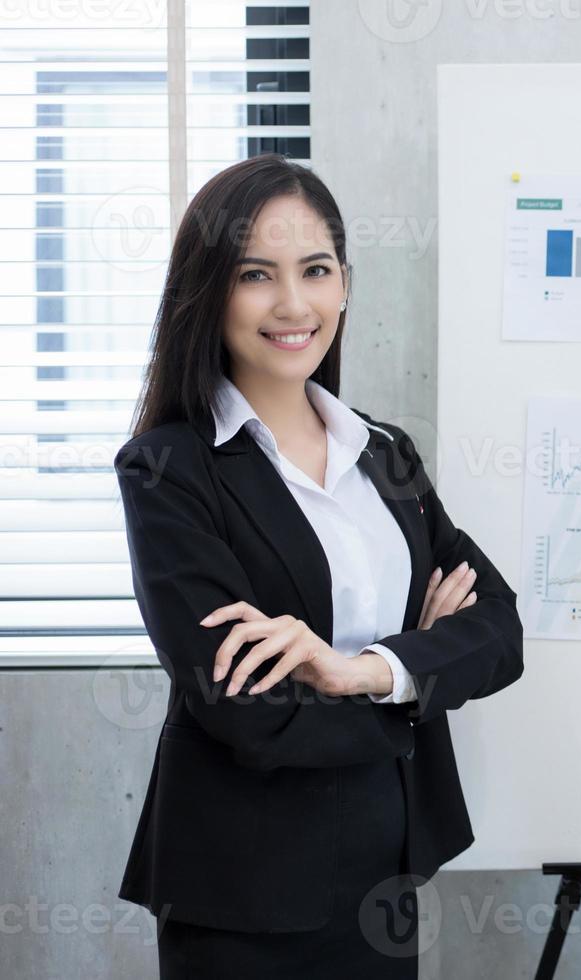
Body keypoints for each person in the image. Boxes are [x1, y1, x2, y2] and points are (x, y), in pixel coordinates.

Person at [113, 153, 524, 978]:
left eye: (316, 270)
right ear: (209, 289)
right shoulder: (167, 469)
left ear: (344, 284)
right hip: (244, 889)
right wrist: (415, 677)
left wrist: (359, 672)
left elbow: (500, 630)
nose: (293, 303)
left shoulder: (385, 454)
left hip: (388, 871)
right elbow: (242, 706)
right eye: (256, 274)